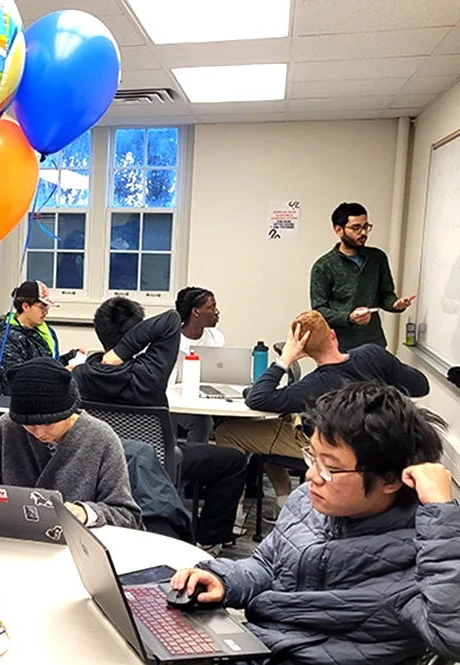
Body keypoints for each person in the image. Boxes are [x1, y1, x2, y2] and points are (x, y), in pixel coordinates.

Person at [172, 383, 460, 665]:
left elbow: (451, 637)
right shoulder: (309, 502)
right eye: (313, 457)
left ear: (390, 479)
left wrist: (439, 512)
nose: (312, 476)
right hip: (258, 646)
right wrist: (225, 580)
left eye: (331, 468)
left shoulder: (426, 552)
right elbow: (267, 565)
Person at [73, 297, 246, 552]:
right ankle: (208, 539)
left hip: (103, 462)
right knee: (234, 461)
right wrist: (122, 350)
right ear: (138, 333)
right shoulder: (150, 372)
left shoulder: (81, 375)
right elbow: (171, 320)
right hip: (157, 460)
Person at [216, 310, 429, 509]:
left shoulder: (313, 386)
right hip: (382, 442)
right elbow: (421, 386)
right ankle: (284, 502)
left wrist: (285, 359)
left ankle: (234, 515)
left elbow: (258, 398)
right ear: (333, 335)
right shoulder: (373, 354)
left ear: (303, 352)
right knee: (277, 427)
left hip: (331, 448)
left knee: (228, 432)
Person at [0, 357, 142, 528]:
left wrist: (86, 512)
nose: (39, 433)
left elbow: (127, 515)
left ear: (68, 413)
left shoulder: (101, 438)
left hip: (78, 544)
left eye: (49, 423)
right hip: (16, 535)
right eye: (29, 425)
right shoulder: (7, 427)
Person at [310, 202, 415, 351]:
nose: (363, 233)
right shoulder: (323, 266)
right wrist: (349, 318)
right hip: (339, 346)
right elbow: (319, 310)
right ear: (338, 230)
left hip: (373, 343)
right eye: (356, 228)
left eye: (366, 227)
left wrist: (395, 304)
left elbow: (385, 295)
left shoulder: (377, 258)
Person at [0, 280, 84, 395]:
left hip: (47, 395)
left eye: (47, 308)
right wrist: (59, 375)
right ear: (25, 306)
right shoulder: (8, 339)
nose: (45, 312)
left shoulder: (45, 332)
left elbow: (51, 362)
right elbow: (14, 380)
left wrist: (71, 357)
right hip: (23, 404)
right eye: (41, 307)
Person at [174, 286, 224, 445]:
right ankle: (193, 462)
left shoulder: (216, 337)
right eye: (211, 307)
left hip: (207, 396)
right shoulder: (172, 338)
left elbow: (219, 371)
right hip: (176, 401)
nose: (217, 312)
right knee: (202, 423)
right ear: (195, 312)